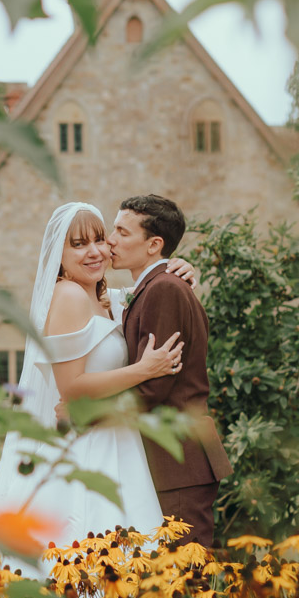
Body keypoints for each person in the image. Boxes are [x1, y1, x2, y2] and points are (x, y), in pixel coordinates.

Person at [0, 201, 195, 548]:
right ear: (58, 254)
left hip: (116, 440)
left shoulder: (98, 295)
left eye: (99, 239)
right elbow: (72, 388)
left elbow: (147, 288)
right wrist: (143, 369)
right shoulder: (67, 296)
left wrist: (180, 266)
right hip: (85, 446)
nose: (95, 251)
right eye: (78, 245)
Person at [108, 194, 232, 548]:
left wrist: (87, 415)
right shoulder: (152, 286)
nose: (110, 240)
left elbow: (155, 386)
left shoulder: (164, 288)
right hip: (169, 461)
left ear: (154, 245)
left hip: (178, 462)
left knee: (185, 582)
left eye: (121, 232)